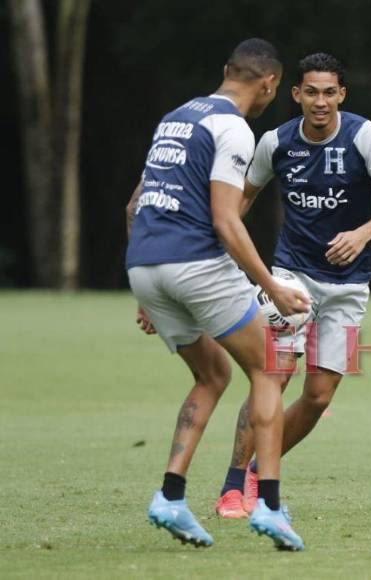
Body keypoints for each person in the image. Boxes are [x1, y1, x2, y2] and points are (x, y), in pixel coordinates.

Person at [125, 38, 310, 550]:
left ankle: (171, 495)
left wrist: (148, 294)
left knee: (213, 374)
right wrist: (270, 286)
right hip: (194, 263)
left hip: (144, 264)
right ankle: (269, 506)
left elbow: (132, 205)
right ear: (271, 83)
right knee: (269, 369)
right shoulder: (233, 128)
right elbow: (226, 221)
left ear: (226, 71)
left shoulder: (175, 118)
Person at [213, 52, 371, 518]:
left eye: (329, 92)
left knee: (319, 397)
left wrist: (361, 234)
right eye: (311, 92)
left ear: (342, 94)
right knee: (273, 377)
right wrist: (216, 248)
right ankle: (233, 486)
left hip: (348, 285)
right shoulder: (275, 142)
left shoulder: (365, 135)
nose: (320, 102)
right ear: (296, 93)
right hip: (289, 278)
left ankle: (261, 470)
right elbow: (240, 202)